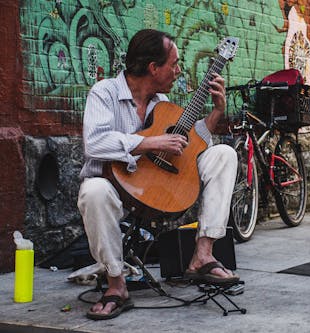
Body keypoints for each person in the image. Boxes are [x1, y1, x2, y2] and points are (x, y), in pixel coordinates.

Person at [77, 29, 238, 320]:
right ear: (153, 68)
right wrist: (150, 143)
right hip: (117, 186)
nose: (178, 71)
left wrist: (217, 111)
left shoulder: (162, 102)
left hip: (161, 182)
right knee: (93, 191)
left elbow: (194, 141)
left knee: (224, 154)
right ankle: (116, 284)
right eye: (174, 64)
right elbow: (95, 143)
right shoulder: (104, 93)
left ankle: (202, 254)